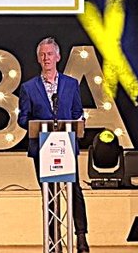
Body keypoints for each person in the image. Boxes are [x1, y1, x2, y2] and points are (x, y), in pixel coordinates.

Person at [18, 37, 90, 252]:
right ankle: (53, 237)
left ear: (58, 57)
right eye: (42, 55)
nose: (46, 58)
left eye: (50, 54)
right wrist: (39, 126)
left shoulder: (71, 84)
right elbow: (23, 118)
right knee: (48, 194)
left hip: (66, 145)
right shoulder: (28, 88)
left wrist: (78, 123)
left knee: (74, 190)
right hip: (42, 148)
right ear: (38, 59)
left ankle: (81, 237)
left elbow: (77, 112)